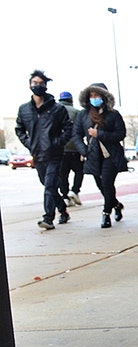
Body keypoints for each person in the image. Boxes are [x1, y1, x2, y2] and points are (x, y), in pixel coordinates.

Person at [15, 70, 73, 230]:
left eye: (41, 83)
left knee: (49, 184)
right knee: (49, 185)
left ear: (46, 86)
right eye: (35, 83)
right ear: (29, 85)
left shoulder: (57, 108)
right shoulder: (24, 109)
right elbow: (19, 129)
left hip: (54, 153)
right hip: (37, 154)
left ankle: (48, 218)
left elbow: (68, 128)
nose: (37, 86)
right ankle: (63, 210)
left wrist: (58, 142)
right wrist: (29, 143)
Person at [73, 83, 127, 229]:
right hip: (93, 155)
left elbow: (121, 134)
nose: (94, 98)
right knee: (101, 185)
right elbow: (76, 135)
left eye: (97, 95)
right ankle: (116, 204)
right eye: (91, 96)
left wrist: (100, 134)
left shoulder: (113, 114)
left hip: (111, 155)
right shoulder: (82, 115)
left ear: (104, 96)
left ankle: (106, 213)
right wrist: (83, 150)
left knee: (107, 183)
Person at [57, 91, 84, 206]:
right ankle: (74, 190)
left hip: (60, 148)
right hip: (74, 148)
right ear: (71, 100)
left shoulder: (55, 111)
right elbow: (81, 130)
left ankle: (65, 196)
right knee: (79, 171)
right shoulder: (77, 113)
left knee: (63, 174)